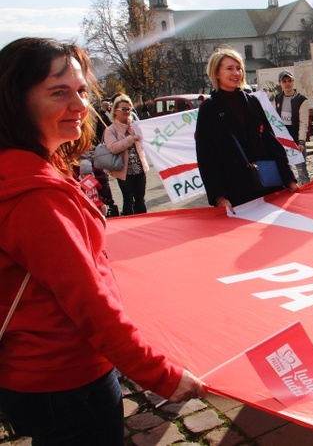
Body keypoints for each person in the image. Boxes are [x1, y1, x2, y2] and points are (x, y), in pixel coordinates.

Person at [0, 37, 205, 445]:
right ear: (14, 101)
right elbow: (88, 300)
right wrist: (160, 374)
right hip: (66, 379)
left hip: (32, 374)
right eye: (59, 92)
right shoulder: (35, 195)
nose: (80, 106)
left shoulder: (25, 168)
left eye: (80, 90)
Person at [196, 48, 298, 212]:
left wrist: (289, 178)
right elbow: (206, 156)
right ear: (216, 73)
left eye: (239, 68)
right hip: (235, 190)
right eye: (229, 68)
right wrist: (218, 196)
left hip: (266, 183)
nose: (236, 73)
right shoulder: (209, 108)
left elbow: (272, 142)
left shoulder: (252, 102)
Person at [104, 94, 149, 215]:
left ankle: (144, 224)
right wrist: (131, 139)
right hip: (124, 172)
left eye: (129, 108)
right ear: (115, 111)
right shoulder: (111, 130)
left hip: (140, 170)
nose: (127, 111)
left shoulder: (136, 126)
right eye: (123, 109)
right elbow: (113, 148)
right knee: (128, 200)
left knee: (140, 200)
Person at [275, 70, 310, 184]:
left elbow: (303, 122)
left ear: (293, 82)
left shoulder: (301, 100)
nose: (287, 84)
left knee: (302, 172)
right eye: (284, 81)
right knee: (285, 170)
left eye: (289, 80)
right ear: (280, 83)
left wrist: (301, 141)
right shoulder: (277, 99)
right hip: (283, 140)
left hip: (296, 139)